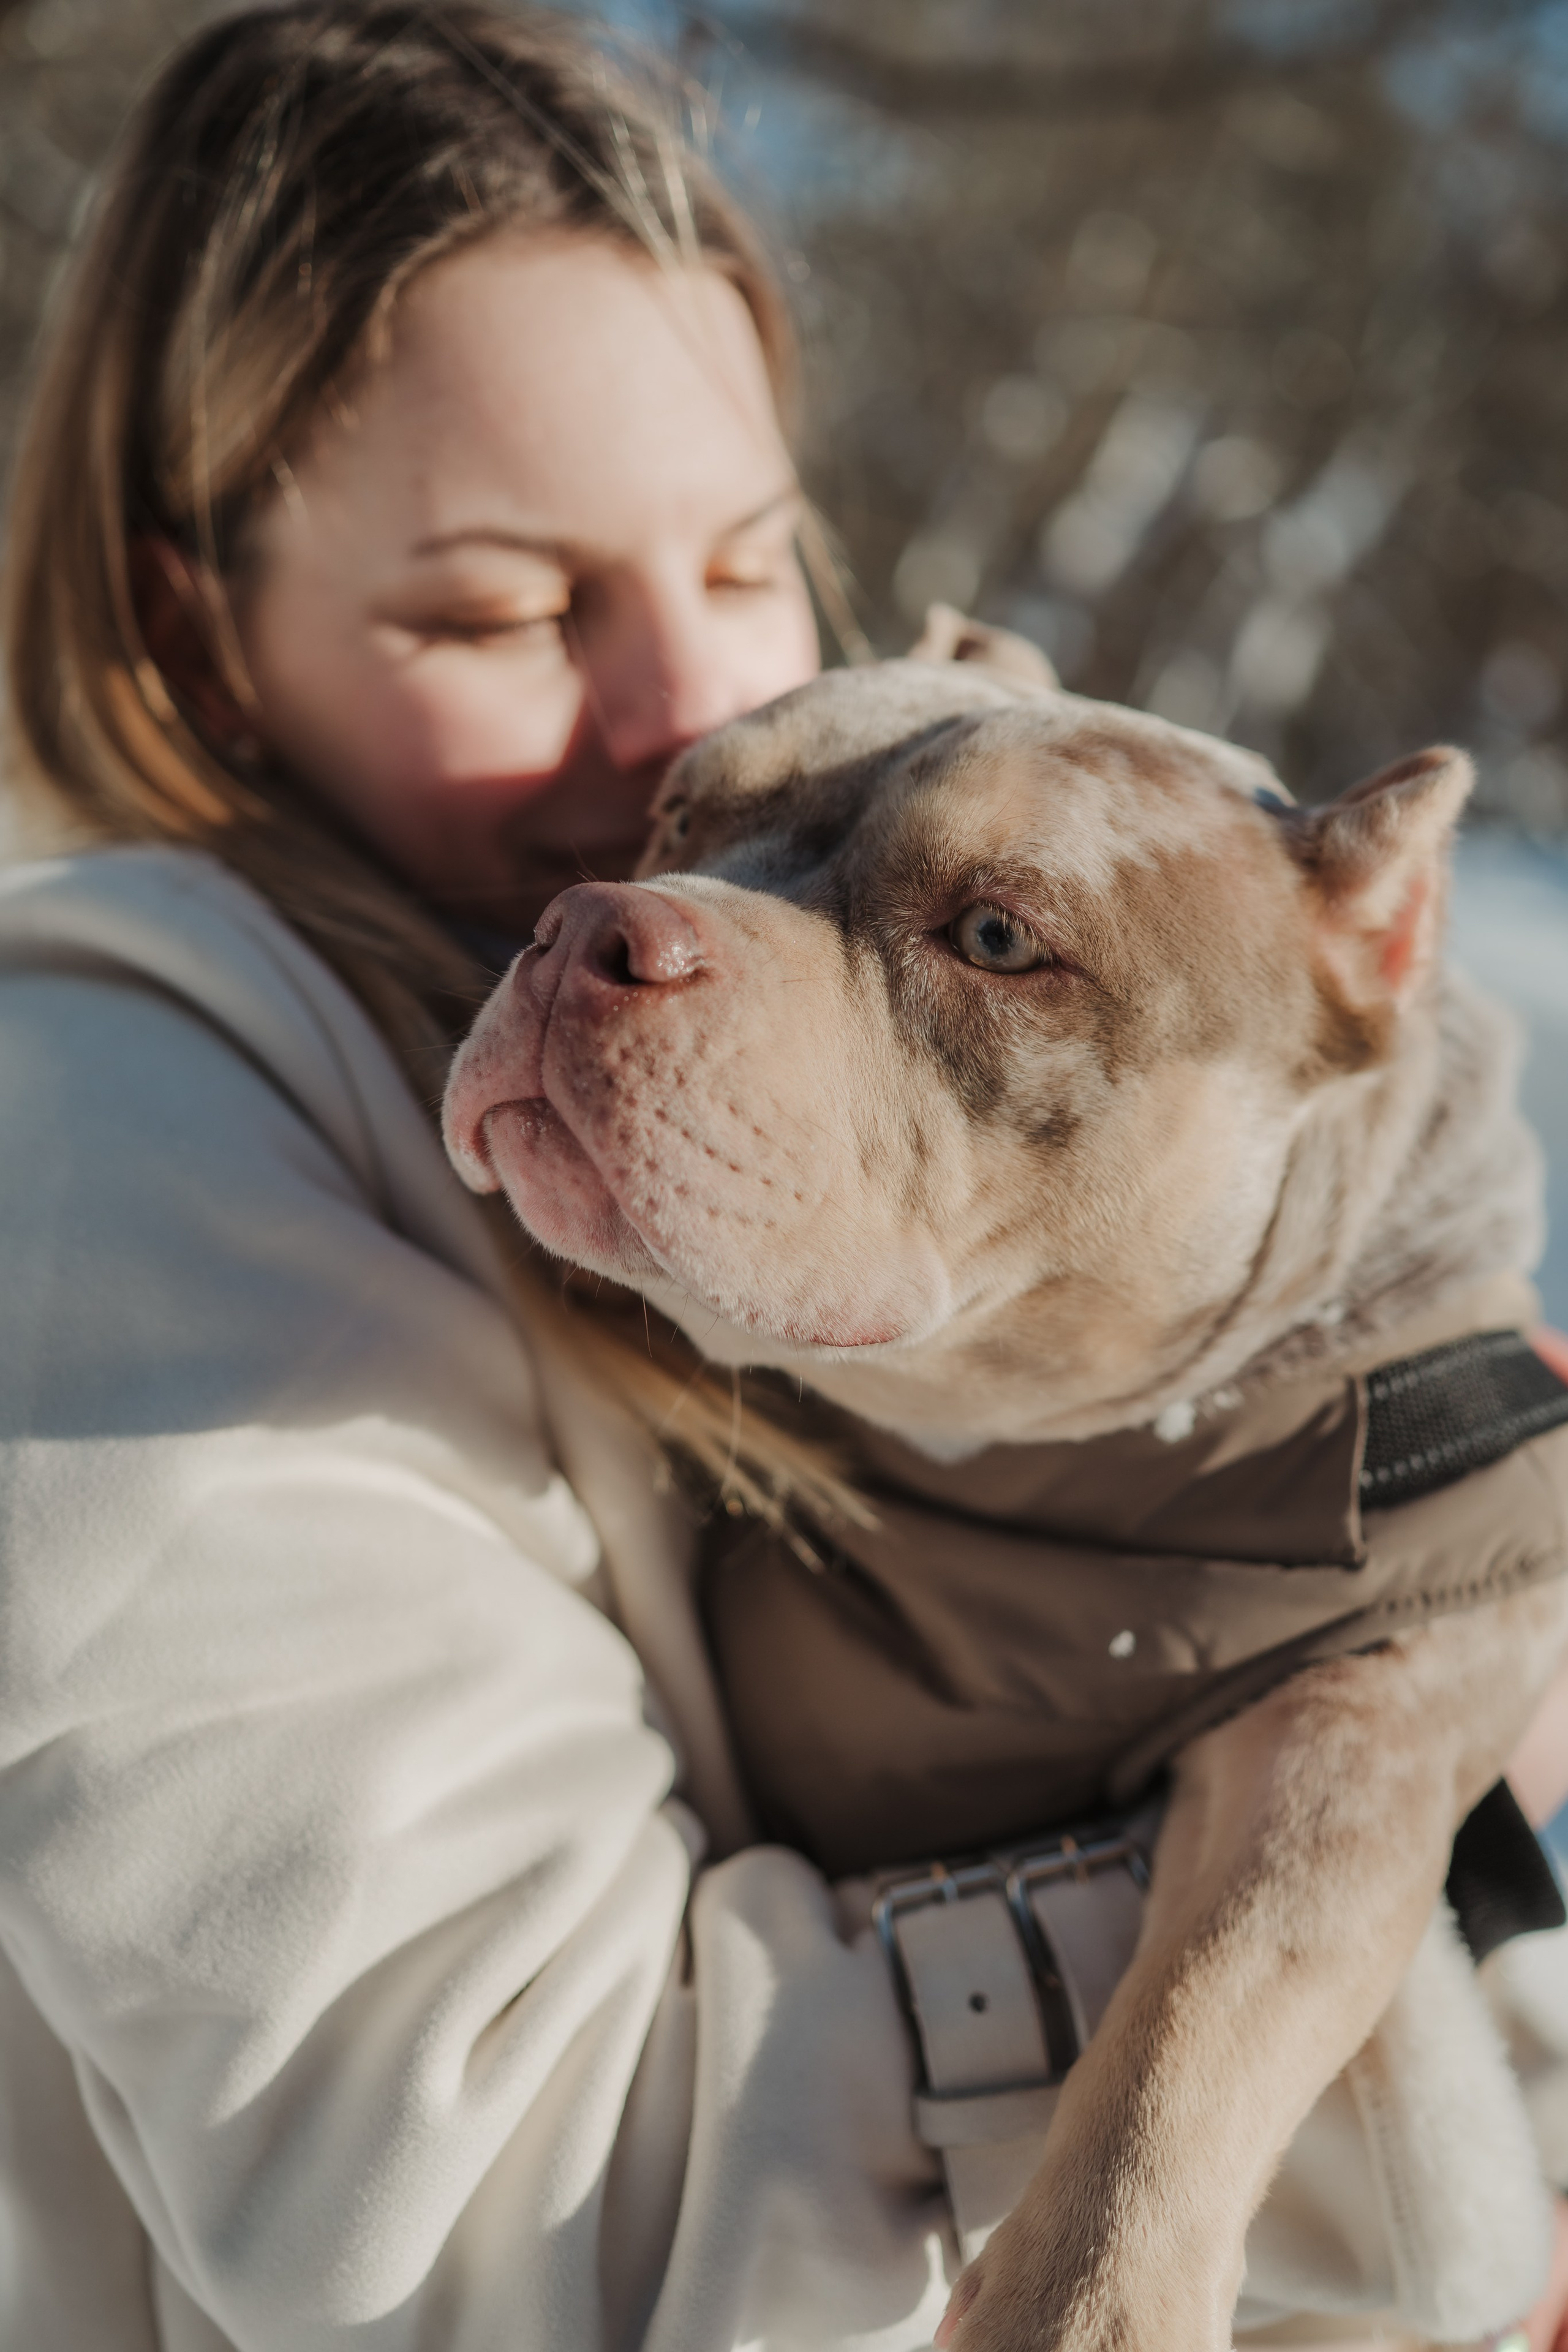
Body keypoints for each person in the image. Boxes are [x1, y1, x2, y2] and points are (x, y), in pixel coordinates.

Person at [3, 7, 1568, 2350]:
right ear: (191, 631)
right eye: (505, 612)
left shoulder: (751, 1086)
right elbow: (507, 2238)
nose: (665, 740)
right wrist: (1419, 1865)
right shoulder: (99, 1124)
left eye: (742, 568)